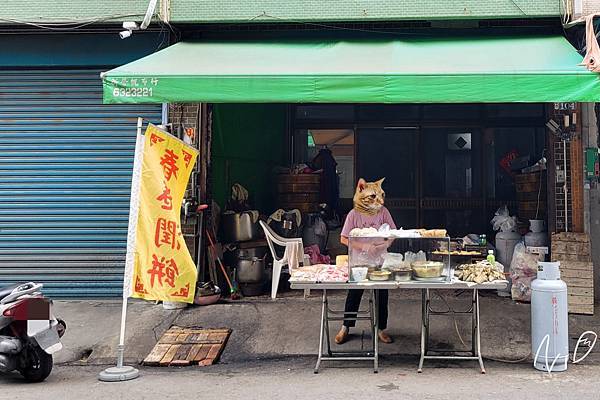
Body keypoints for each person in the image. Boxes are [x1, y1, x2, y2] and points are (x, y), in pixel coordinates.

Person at [335, 178, 396, 345]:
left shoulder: (383, 212)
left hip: (380, 261)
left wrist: (385, 243)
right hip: (359, 261)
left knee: (382, 294)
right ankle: (345, 327)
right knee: (354, 293)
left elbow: (392, 233)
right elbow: (344, 238)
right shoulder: (353, 214)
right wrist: (363, 246)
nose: (378, 201)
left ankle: (381, 329)